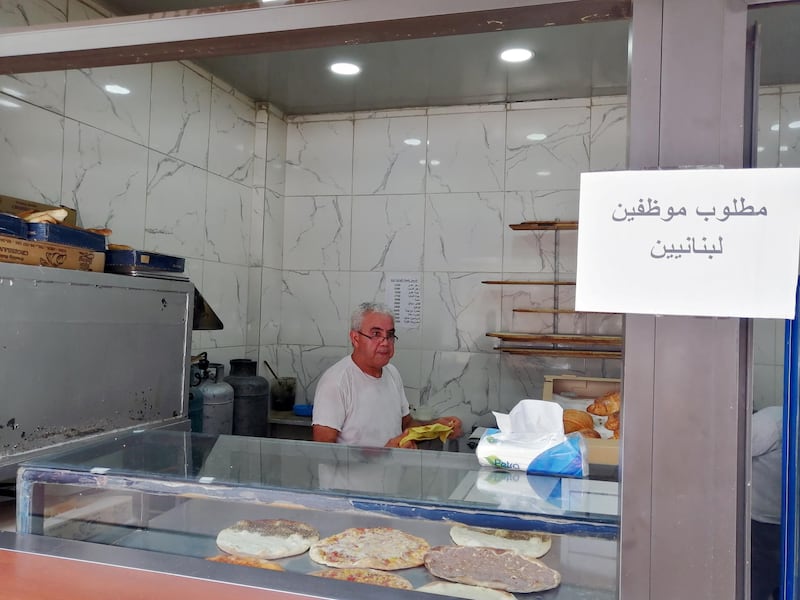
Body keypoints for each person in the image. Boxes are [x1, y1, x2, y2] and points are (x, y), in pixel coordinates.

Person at [312, 302, 462, 448]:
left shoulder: (392, 373)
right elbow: (324, 450)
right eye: (376, 334)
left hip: (392, 472)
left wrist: (436, 427)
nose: (385, 342)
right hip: (353, 474)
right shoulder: (336, 382)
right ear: (355, 338)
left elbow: (406, 426)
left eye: (390, 335)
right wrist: (384, 452)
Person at [751, 405, 783, 600]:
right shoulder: (771, 425)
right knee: (758, 585)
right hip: (760, 525)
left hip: (787, 526)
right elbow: (728, 452)